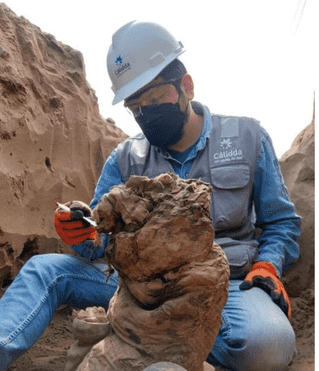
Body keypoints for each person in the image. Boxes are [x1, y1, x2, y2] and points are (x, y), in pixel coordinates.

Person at [0, 20, 301, 371]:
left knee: (268, 347)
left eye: (155, 99)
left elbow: (280, 222)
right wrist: (80, 232)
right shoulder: (126, 157)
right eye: (135, 107)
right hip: (137, 287)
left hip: (222, 285)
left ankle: (147, 343)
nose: (145, 114)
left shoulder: (248, 137)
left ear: (185, 86)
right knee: (44, 269)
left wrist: (268, 265)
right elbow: (99, 243)